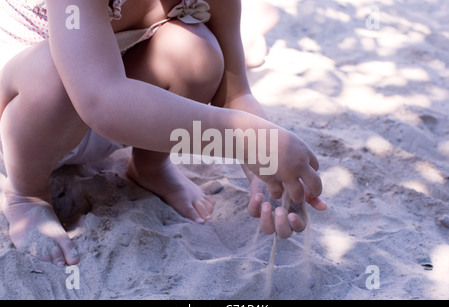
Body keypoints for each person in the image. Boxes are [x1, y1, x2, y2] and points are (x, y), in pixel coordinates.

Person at [0, 0, 326, 266]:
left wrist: (267, 168)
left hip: (119, 115)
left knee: (197, 51)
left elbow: (234, 93)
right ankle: (27, 196)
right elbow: (101, 101)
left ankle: (150, 167)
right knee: (53, 75)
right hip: (23, 122)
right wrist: (251, 140)